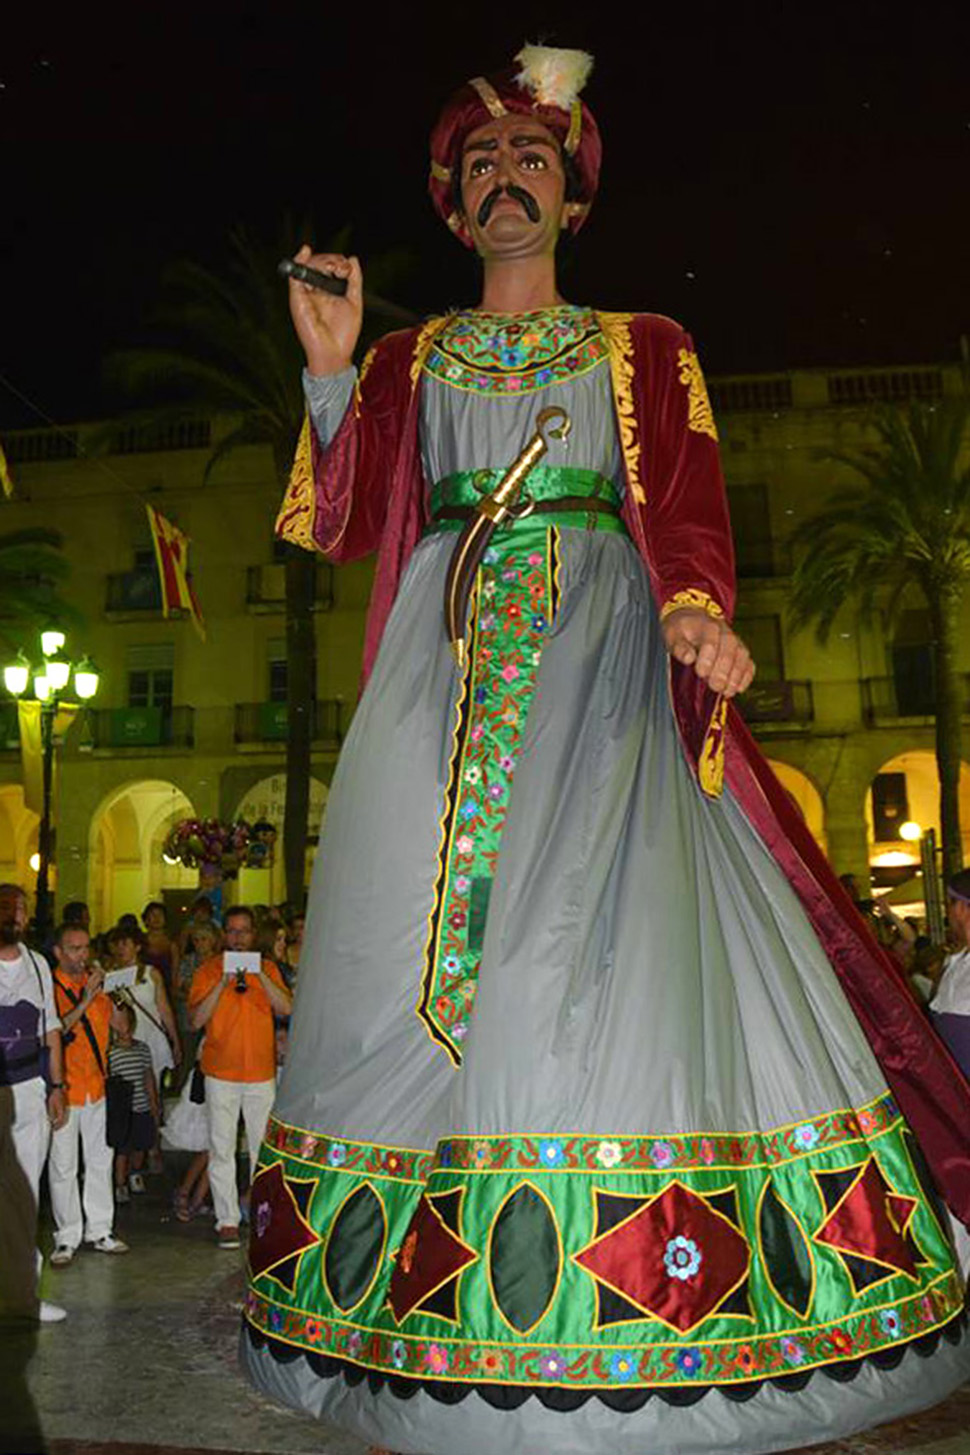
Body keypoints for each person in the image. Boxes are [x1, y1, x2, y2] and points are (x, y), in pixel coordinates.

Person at [242, 46, 970, 1455]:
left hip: (597, 650)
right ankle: (405, 1301)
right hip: (432, 676)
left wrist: (696, 612)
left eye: (531, 161)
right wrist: (329, 378)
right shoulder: (405, 356)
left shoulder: (645, 344)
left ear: (570, 200)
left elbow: (687, 504)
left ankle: (614, 1304)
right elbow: (334, 519)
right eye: (478, 165)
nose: (504, 179)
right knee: (399, 949)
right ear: (452, 207)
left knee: (576, 948)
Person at [187, 906, 291, 1249]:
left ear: (252, 934)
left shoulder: (270, 968)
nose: (237, 937)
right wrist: (222, 983)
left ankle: (263, 1215)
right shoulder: (208, 970)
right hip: (221, 1072)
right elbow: (196, 1020)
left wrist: (259, 975)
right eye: (231, 931)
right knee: (222, 1148)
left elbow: (286, 1008)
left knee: (263, 1148)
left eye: (244, 931)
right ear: (224, 936)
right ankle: (227, 1220)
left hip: (261, 1073)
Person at [0, 884, 66, 1324]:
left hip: (27, 1085)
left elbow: (51, 1030)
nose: (16, 915)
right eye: (8, 908)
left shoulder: (39, 965)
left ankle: (22, 1296)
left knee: (25, 1192)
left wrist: (57, 1086)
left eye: (21, 909)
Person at [48, 923, 128, 1262]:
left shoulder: (97, 986)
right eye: (74, 948)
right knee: (64, 1165)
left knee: (100, 1161)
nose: (82, 955)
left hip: (97, 1087)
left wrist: (114, 994)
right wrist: (85, 1000)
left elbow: (124, 1029)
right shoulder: (48, 986)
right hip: (64, 1088)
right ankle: (67, 1236)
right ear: (58, 952)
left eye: (85, 948)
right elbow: (58, 1028)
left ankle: (100, 1230)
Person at [107, 1000, 159, 1201]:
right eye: (117, 1021)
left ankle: (134, 1173)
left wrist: (154, 1103)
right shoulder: (110, 1052)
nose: (122, 1025)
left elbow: (148, 1077)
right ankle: (120, 1184)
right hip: (122, 1111)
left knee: (140, 1146)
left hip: (141, 1106)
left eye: (125, 1020)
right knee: (122, 1149)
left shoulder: (142, 1048)